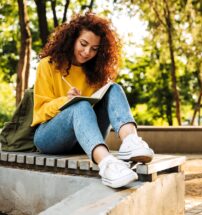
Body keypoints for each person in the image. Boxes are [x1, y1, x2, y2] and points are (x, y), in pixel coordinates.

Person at [31, 12, 154, 189]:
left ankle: (130, 141)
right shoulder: (48, 65)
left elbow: (102, 108)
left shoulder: (95, 73)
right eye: (83, 44)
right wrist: (66, 101)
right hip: (48, 137)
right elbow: (40, 112)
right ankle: (107, 165)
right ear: (72, 39)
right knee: (80, 105)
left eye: (95, 49)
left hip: (85, 140)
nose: (87, 52)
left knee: (114, 87)